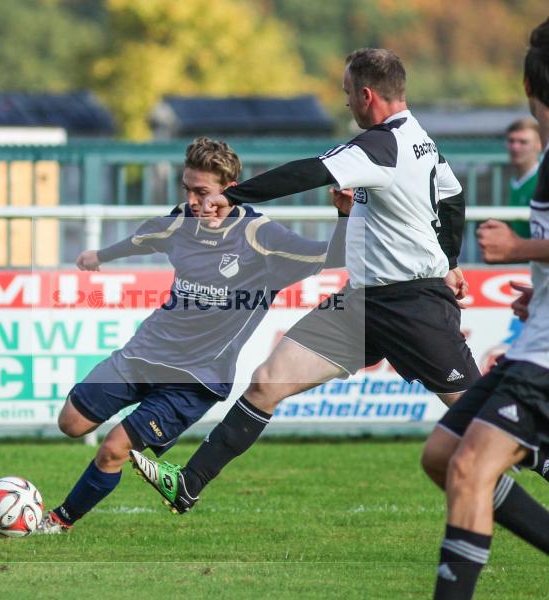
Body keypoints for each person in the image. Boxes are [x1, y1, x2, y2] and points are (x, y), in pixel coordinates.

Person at [131, 46, 549, 530]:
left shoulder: (379, 146)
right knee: (265, 381)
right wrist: (448, 258)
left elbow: (309, 171)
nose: (344, 105)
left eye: (346, 94)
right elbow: (453, 197)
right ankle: (189, 482)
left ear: (366, 95)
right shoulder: (418, 138)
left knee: (479, 414)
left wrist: (231, 195)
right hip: (361, 302)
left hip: (411, 305)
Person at [35, 137, 349, 533]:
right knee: (71, 423)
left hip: (196, 378)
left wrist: (345, 217)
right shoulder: (181, 220)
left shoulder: (260, 237)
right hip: (142, 354)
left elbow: (334, 257)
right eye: (188, 189)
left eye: (203, 192)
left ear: (230, 189)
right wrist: (100, 256)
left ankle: (59, 522)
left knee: (114, 448)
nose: (194, 201)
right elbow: (144, 239)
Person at [421, 13, 549, 599]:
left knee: (470, 469)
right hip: (546, 342)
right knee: (443, 456)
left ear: (528, 88)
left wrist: (517, 247)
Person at [506, 117, 541, 237]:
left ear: (540, 144)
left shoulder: (544, 181)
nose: (515, 147)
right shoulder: (514, 182)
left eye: (523, 142)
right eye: (511, 141)